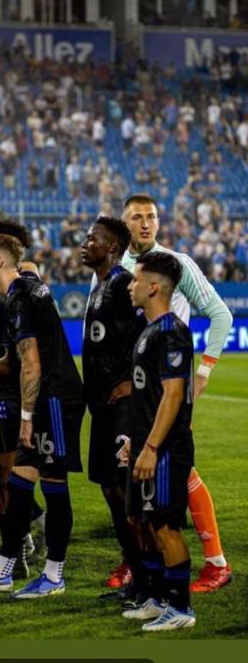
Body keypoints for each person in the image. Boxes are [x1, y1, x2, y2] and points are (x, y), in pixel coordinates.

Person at [0, 233, 85, 598]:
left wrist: (26, 417)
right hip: (43, 398)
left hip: (56, 399)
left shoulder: (22, 296)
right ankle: (5, 567)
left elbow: (29, 362)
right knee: (18, 484)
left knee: (54, 485)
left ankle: (54, 576)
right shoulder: (13, 293)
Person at [122, 193, 233, 592]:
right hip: (134, 388)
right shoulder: (121, 267)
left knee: (176, 467)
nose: (146, 223)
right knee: (135, 476)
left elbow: (221, 314)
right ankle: (139, 562)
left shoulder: (176, 265)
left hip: (167, 384)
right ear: (125, 223)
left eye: (151, 216)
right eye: (137, 217)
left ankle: (215, 561)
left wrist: (203, 372)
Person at [122, 252, 196, 631]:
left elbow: (172, 395)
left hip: (165, 449)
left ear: (154, 286)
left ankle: (181, 608)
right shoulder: (148, 330)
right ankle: (155, 598)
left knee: (165, 525)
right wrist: (134, 443)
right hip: (145, 443)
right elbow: (146, 395)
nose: (131, 286)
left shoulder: (171, 332)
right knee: (145, 521)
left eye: (136, 280)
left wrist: (150, 448)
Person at [80, 217, 146, 589]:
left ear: (113, 248)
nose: (85, 243)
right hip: (101, 406)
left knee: (125, 488)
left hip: (124, 407)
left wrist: (133, 385)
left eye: (93, 239)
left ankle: (144, 571)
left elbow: (147, 334)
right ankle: (131, 561)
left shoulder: (123, 284)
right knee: (109, 486)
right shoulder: (99, 286)